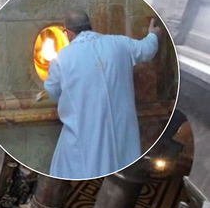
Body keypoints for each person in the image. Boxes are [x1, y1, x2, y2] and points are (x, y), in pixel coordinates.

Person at [44, 11, 161, 179]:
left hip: (84, 130)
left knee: (76, 166)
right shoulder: (120, 43)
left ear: (68, 33)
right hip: (122, 126)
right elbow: (147, 49)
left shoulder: (62, 58)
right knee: (121, 168)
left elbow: (52, 91)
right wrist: (153, 35)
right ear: (90, 26)